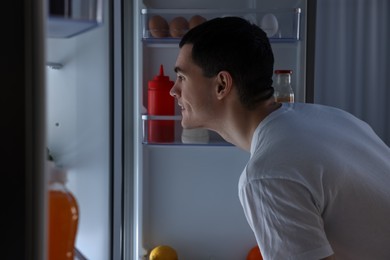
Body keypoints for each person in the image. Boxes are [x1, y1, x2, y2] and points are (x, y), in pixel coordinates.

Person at [169, 16, 390, 259]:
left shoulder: (267, 175)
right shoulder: (332, 119)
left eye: (182, 77)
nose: (173, 90)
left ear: (222, 84)